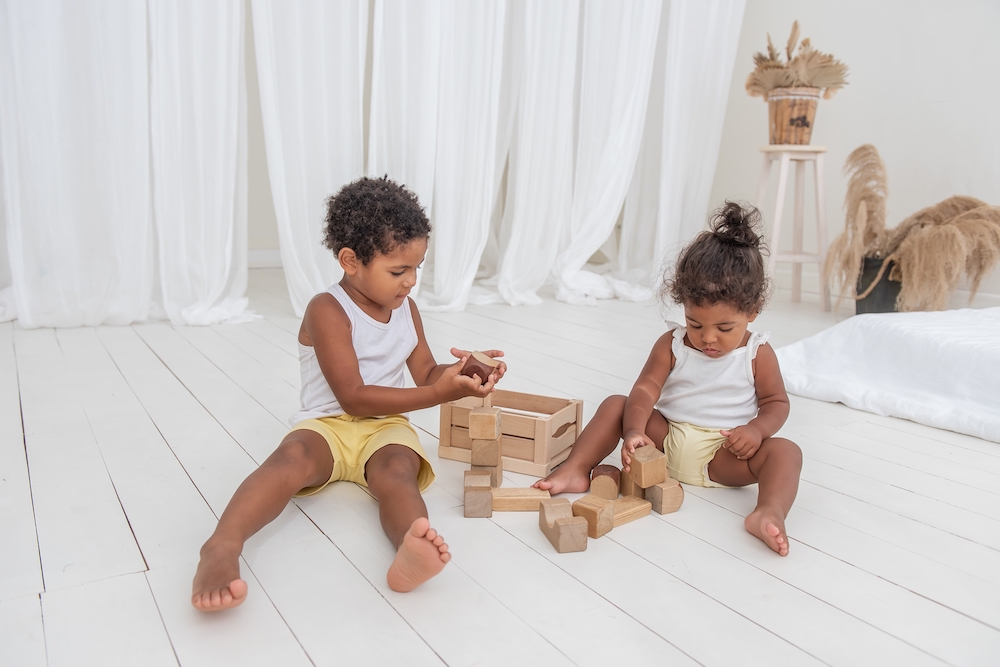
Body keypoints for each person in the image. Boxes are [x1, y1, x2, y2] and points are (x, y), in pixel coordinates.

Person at [192, 176, 506, 610]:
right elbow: (353, 397)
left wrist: (463, 371)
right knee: (291, 459)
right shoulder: (327, 309)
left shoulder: (406, 309)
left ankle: (411, 545)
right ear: (350, 260)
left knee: (398, 471)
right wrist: (441, 395)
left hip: (385, 428)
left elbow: (426, 372)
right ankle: (222, 545)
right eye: (399, 271)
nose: (411, 282)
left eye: (417, 268)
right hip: (327, 425)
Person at [535, 201, 801, 556]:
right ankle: (575, 469)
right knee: (618, 404)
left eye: (724, 328)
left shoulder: (758, 354)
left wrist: (756, 431)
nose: (707, 338)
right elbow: (646, 388)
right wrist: (635, 430)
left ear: (752, 312)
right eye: (695, 323)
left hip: (723, 456)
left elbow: (776, 404)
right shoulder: (673, 344)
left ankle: (769, 510)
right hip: (663, 441)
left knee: (786, 452)